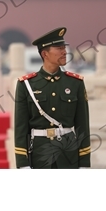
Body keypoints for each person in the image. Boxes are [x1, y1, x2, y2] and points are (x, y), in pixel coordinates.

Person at [14, 27, 91, 169]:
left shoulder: (75, 83)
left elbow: (83, 126)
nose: (64, 52)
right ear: (45, 54)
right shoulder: (26, 84)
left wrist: (84, 163)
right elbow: (21, 128)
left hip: (68, 154)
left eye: (64, 48)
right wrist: (22, 163)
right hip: (39, 154)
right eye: (59, 48)